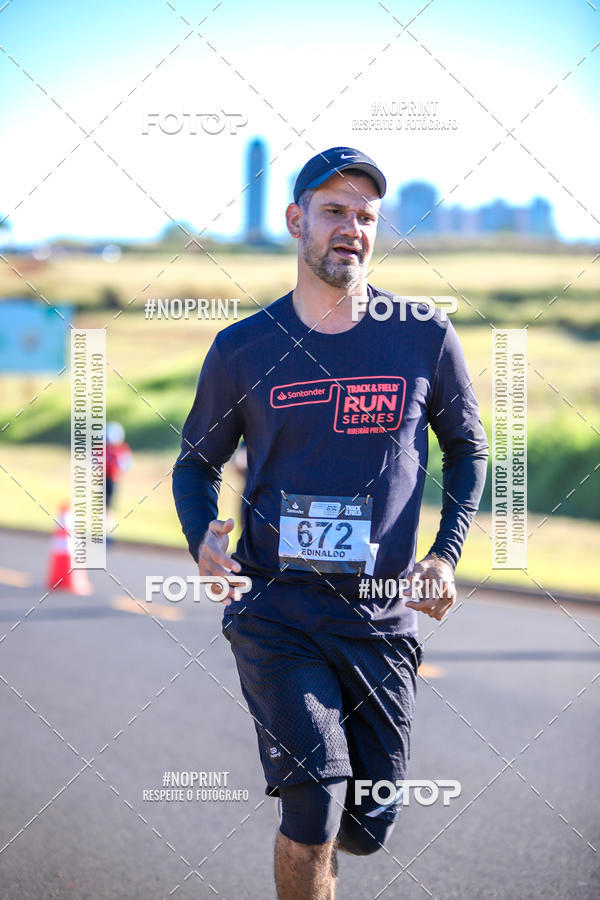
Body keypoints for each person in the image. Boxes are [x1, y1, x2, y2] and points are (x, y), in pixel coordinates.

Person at [172, 146, 488, 900]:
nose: (352, 228)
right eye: (334, 211)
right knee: (313, 803)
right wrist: (202, 539)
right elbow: (194, 464)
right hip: (276, 609)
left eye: (366, 216)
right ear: (296, 220)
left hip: (380, 616)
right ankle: (311, 842)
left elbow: (469, 449)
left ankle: (329, 848)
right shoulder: (243, 347)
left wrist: (443, 555)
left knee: (367, 825)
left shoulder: (423, 334)